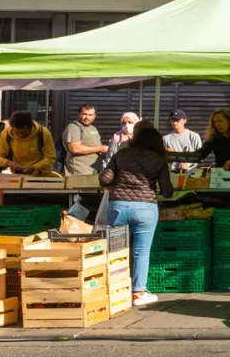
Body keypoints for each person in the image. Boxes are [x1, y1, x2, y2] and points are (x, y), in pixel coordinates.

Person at [100, 123, 174, 307]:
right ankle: (138, 292)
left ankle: (114, 290)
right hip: (145, 208)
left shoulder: (121, 154)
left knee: (115, 250)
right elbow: (167, 191)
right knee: (141, 251)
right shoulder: (158, 159)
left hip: (118, 206)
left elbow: (104, 179)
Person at [0, 111, 56, 176]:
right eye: (17, 133)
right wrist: (8, 163)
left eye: (23, 132)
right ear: (12, 127)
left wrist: (34, 167)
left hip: (41, 177)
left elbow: (51, 158)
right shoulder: (6, 134)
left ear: (30, 127)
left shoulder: (43, 133)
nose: (20, 135)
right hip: (18, 176)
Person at [62, 105, 107, 177]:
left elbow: (97, 146)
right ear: (79, 114)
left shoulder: (93, 128)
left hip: (93, 171)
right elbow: (75, 148)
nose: (87, 117)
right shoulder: (74, 127)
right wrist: (100, 148)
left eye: (90, 115)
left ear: (94, 116)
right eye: (84, 114)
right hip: (79, 173)